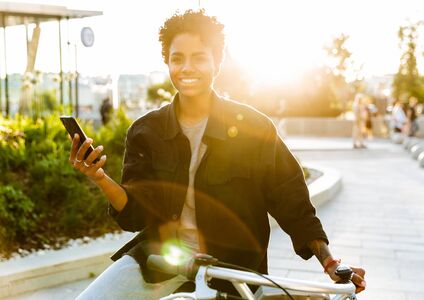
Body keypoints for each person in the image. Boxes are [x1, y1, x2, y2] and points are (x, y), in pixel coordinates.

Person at [69, 10, 366, 299]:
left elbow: (293, 204)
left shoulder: (254, 127)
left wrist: (329, 262)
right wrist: (99, 177)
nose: (187, 68)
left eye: (199, 57)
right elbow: (135, 214)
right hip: (160, 262)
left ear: (216, 63)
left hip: (231, 273)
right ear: (167, 62)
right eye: (177, 58)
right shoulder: (146, 131)